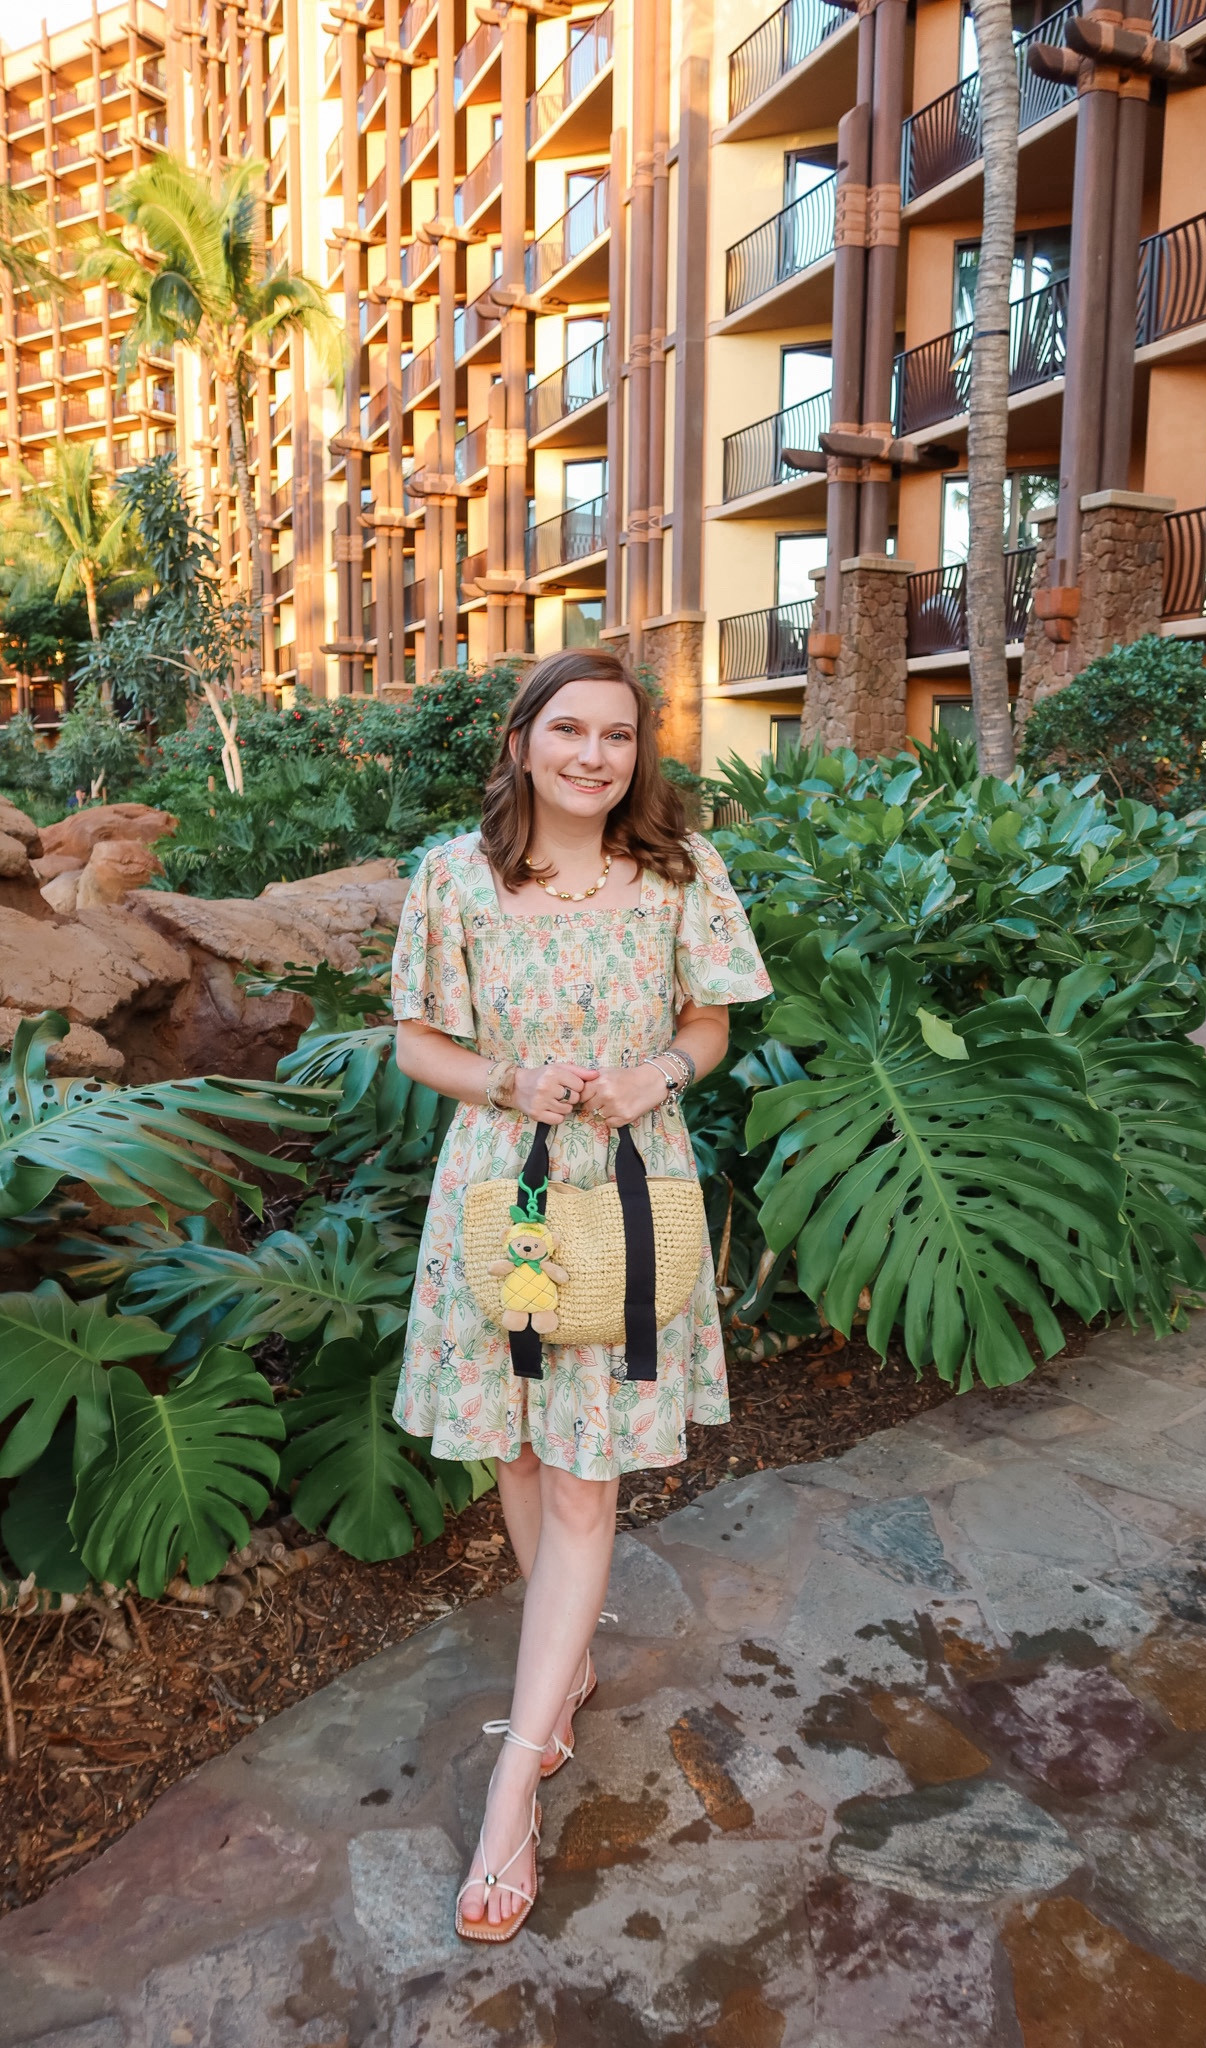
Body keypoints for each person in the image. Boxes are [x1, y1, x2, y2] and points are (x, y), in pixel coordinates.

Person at [390, 648, 772, 1943]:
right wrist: (510, 1080)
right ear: (522, 742)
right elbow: (415, 1041)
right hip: (504, 1186)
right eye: (570, 729)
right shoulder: (455, 877)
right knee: (513, 1445)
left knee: (582, 1475)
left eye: (616, 734)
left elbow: (709, 1021)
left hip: (626, 1185)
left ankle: (515, 1776)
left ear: (635, 755)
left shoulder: (677, 875)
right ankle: (566, 1668)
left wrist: (657, 1070)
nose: (594, 754)